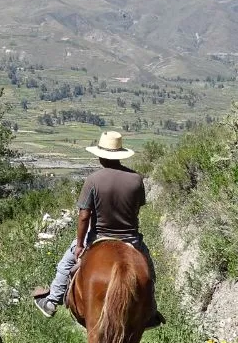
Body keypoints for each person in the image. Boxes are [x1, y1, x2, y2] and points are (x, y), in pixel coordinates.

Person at [34, 130, 165, 328]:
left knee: (65, 264)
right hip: (131, 240)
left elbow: (84, 216)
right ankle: (150, 311)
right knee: (149, 274)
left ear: (100, 155)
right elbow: (137, 208)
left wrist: (79, 245)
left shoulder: (93, 180)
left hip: (98, 237)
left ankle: (52, 301)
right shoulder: (136, 179)